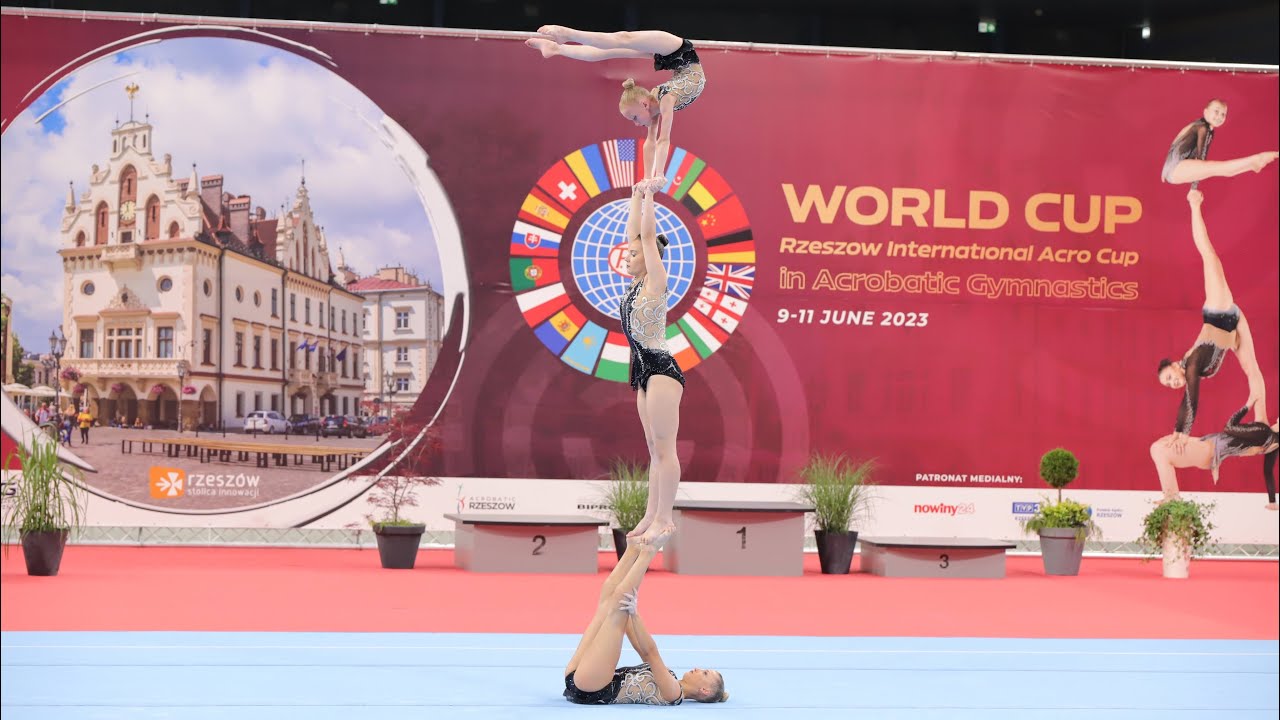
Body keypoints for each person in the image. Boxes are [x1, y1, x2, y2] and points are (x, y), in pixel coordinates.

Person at [1157, 189, 1267, 453]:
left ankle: (1194, 204)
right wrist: (1178, 431)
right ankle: (1263, 423)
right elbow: (1187, 396)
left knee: (1208, 254)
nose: (1173, 383)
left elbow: (1191, 400)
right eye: (1169, 385)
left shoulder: (1193, 364)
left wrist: (1181, 432)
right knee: (1252, 369)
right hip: (1232, 325)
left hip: (1219, 312)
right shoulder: (1189, 367)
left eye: (1170, 377)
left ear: (1175, 366)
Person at [526, 26, 705, 183]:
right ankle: (565, 34)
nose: (636, 123)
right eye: (634, 118)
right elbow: (662, 140)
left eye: (634, 118)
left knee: (613, 50)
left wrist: (650, 179)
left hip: (674, 58)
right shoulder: (664, 100)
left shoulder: (655, 104)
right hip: (677, 49)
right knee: (623, 38)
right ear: (644, 104)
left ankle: (557, 49)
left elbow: (651, 141)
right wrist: (657, 176)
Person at [563, 542, 727, 705]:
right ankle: (633, 549)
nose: (698, 669)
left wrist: (633, 614)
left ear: (705, 690)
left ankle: (648, 552)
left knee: (620, 602)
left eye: (705, 673)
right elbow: (641, 648)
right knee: (609, 598)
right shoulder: (669, 676)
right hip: (581, 678)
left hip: (594, 688)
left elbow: (651, 652)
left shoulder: (674, 694)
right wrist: (627, 616)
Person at [619, 179, 685, 547]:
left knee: (664, 448)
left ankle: (665, 518)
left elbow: (645, 236)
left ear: (649, 256)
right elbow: (635, 233)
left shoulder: (655, 282)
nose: (627, 258)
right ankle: (651, 514)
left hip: (661, 369)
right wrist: (634, 196)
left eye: (633, 254)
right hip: (642, 372)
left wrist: (649, 197)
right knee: (652, 449)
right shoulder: (634, 285)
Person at [1150, 405, 1279, 510]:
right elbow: (1268, 472)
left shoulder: (1265, 431)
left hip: (1211, 449)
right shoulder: (1273, 442)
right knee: (1163, 443)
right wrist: (1272, 501)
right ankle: (1171, 497)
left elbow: (1229, 427)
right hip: (1210, 444)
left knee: (1158, 449)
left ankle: (1172, 498)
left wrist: (1247, 406)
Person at [1161, 99, 1277, 186]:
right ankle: (1255, 161)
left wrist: (1165, 168)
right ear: (1205, 112)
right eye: (1216, 111)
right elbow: (1201, 157)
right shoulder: (1202, 128)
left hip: (1175, 168)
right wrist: (1194, 188)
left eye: (1223, 114)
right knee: (1219, 168)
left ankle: (1252, 165)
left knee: (1220, 169)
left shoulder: (1205, 128)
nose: (1219, 117)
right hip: (1176, 168)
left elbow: (1177, 142)